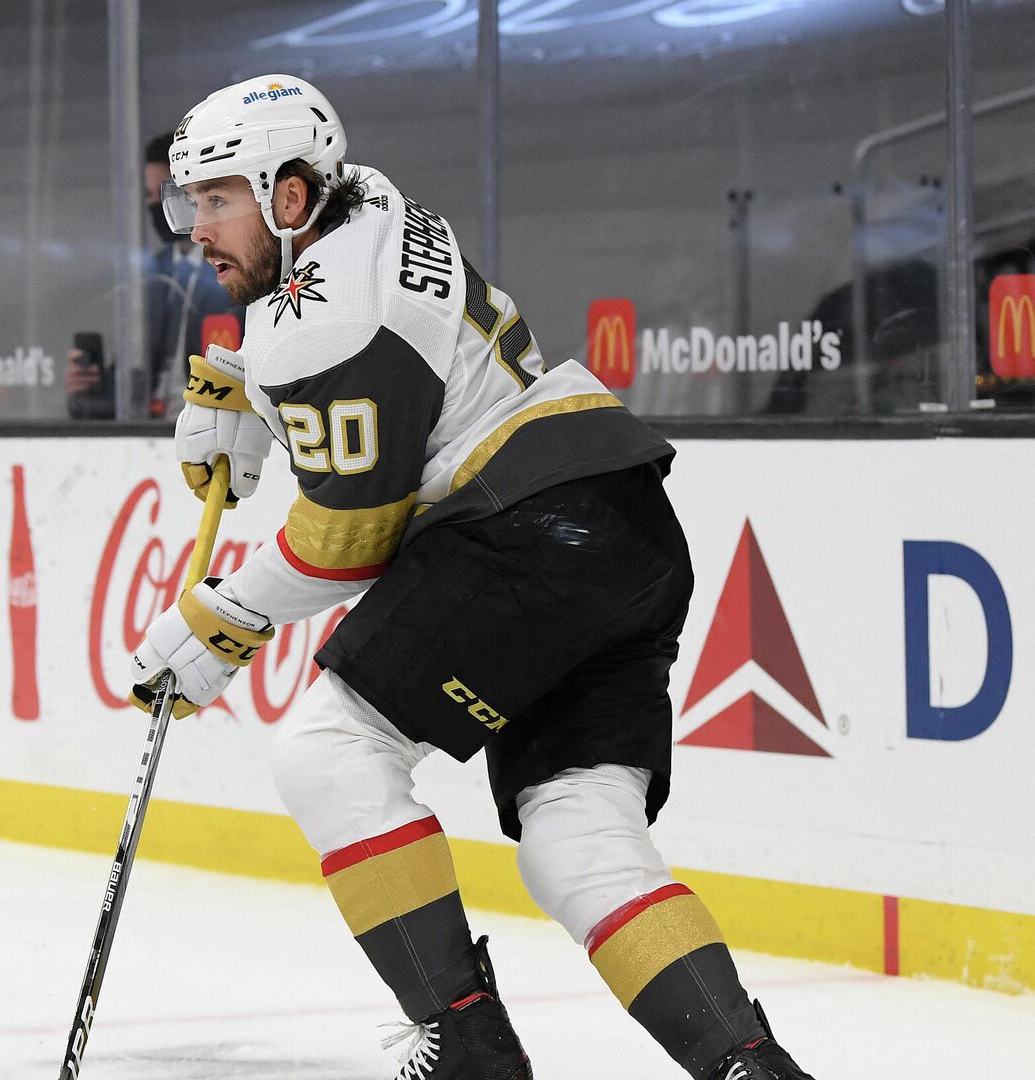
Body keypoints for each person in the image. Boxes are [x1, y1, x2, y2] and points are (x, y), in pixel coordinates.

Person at [123, 74, 813, 1080]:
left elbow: (351, 534)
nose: (195, 229)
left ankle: (466, 1045)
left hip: (528, 531)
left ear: (288, 195)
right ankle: (749, 1064)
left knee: (328, 751)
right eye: (189, 203)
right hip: (625, 526)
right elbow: (398, 363)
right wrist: (250, 386)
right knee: (578, 838)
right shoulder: (368, 193)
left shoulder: (329, 315)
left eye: (217, 199)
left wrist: (223, 623)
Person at [66, 135, 246, 419]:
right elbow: (128, 381)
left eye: (160, 194)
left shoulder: (239, 266)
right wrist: (87, 391)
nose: (152, 205)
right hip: (154, 432)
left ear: (190, 194)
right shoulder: (152, 274)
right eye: (148, 195)